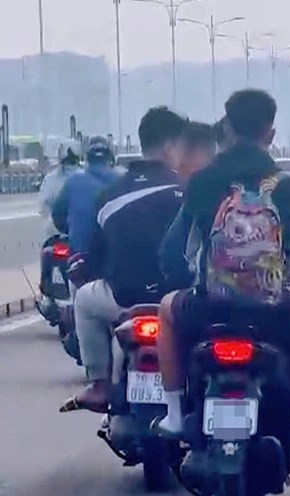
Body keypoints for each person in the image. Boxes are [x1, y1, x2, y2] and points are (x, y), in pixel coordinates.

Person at [155, 89, 290, 441]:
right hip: (274, 312)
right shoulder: (287, 187)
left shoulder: (204, 182)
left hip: (208, 309)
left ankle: (175, 415)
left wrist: (190, 282)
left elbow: (170, 254)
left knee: (165, 311)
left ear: (228, 129)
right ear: (270, 134)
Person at [59, 107, 187, 412]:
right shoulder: (189, 190)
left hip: (123, 298)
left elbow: (93, 255)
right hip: (176, 300)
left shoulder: (111, 194)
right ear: (171, 147)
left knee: (85, 301)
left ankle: (100, 384)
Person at [51, 136, 120, 256]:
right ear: (110, 160)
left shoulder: (74, 181)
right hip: (114, 255)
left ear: (87, 160)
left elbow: (57, 214)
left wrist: (73, 229)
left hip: (80, 251)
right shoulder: (122, 180)